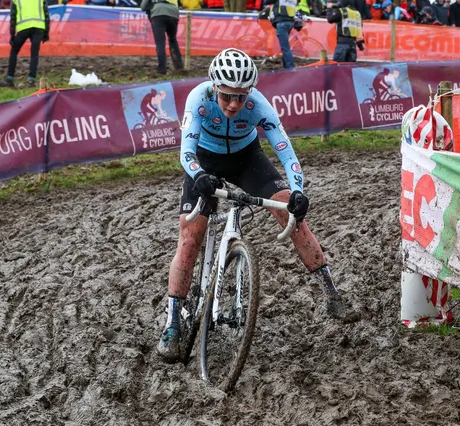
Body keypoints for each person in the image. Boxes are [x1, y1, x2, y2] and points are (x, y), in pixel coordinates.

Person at [157, 48, 347, 362]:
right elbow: (185, 153)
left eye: (241, 97)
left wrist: (298, 192)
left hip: (247, 160)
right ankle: (172, 322)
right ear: (215, 88)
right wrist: (199, 175)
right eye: (228, 96)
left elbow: (286, 153)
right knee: (190, 235)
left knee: (290, 210)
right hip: (204, 162)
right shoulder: (198, 99)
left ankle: (332, 293)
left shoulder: (259, 106)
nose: (234, 104)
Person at [0, 0, 50, 88]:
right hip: (38, 27)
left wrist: (12, 34)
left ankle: (10, 78)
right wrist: (46, 33)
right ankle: (31, 79)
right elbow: (46, 14)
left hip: (23, 28)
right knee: (34, 54)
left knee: (14, 51)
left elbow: (13, 16)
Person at [142, 0, 183, 75]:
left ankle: (162, 69)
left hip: (158, 12)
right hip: (173, 12)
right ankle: (179, 66)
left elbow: (143, 6)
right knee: (172, 39)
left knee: (160, 43)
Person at [264, 0, 297, 69]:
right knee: (285, 47)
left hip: (282, 22)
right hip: (290, 21)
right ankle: (286, 68)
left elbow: (267, 1)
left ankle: (291, 69)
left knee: (285, 48)